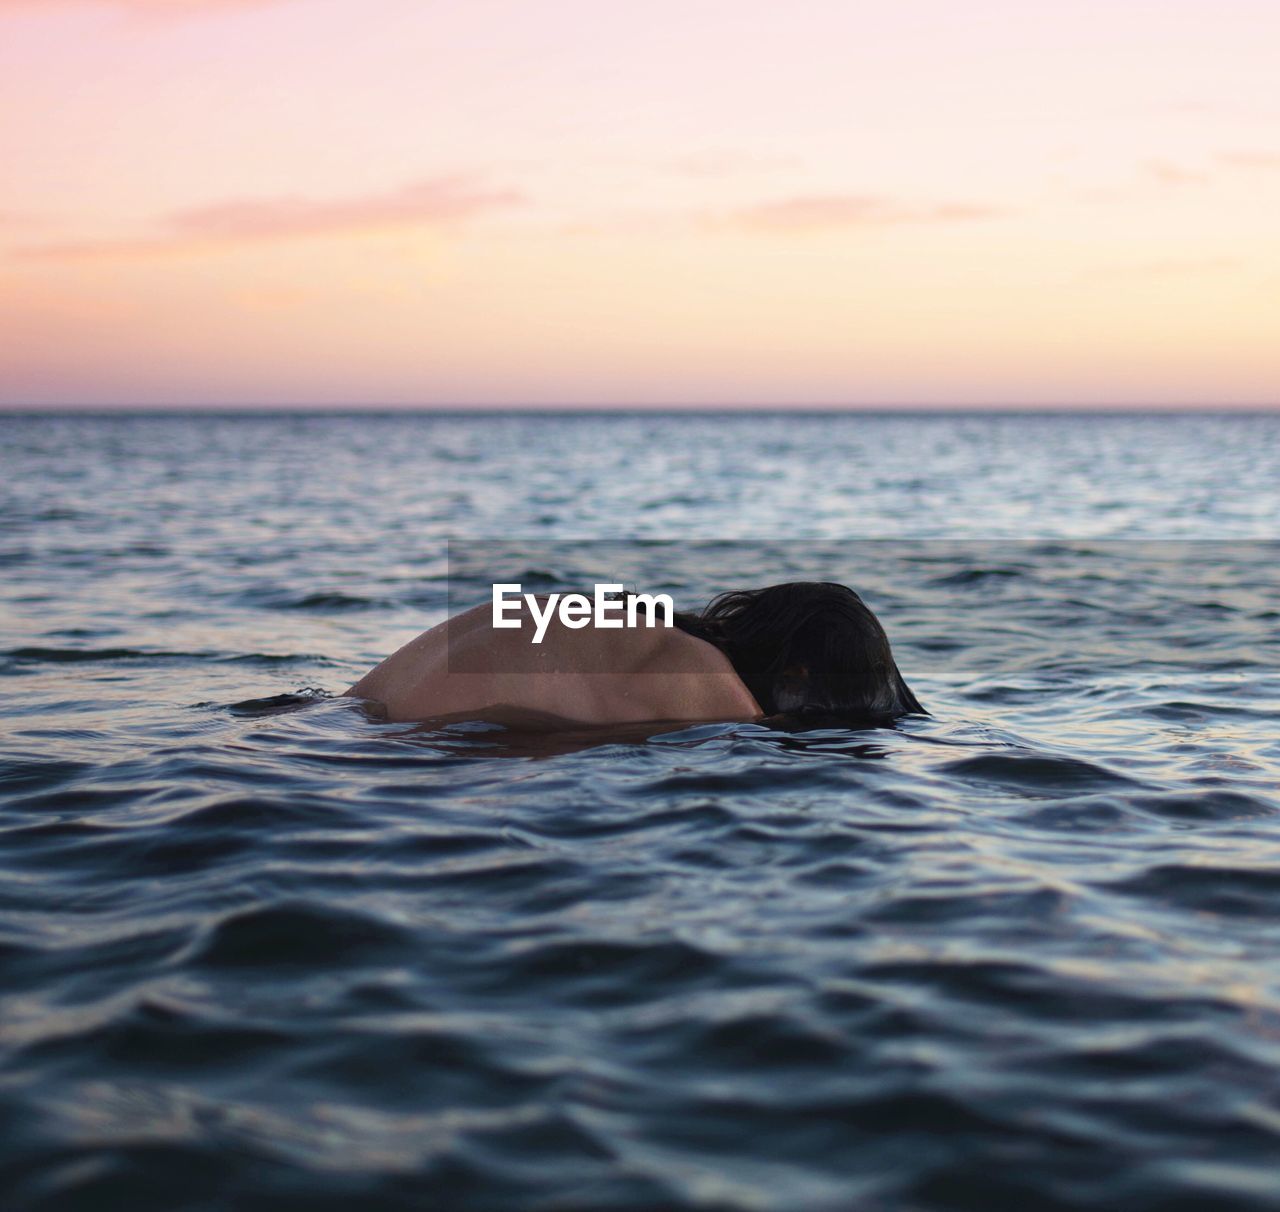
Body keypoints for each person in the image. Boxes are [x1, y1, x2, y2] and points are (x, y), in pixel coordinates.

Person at [344, 581, 923, 728]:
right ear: (800, 673)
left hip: (334, 719)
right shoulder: (706, 685)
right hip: (400, 757)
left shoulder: (635, 621)